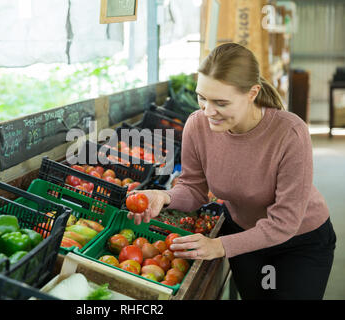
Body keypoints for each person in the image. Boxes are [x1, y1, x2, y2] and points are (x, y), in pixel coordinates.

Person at [127, 42, 336, 300]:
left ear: (252, 93)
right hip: (244, 234)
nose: (208, 111)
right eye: (201, 97)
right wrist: (165, 197)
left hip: (299, 241)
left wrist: (219, 246)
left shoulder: (290, 133)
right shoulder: (197, 124)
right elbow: (193, 188)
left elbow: (285, 223)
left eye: (221, 103)